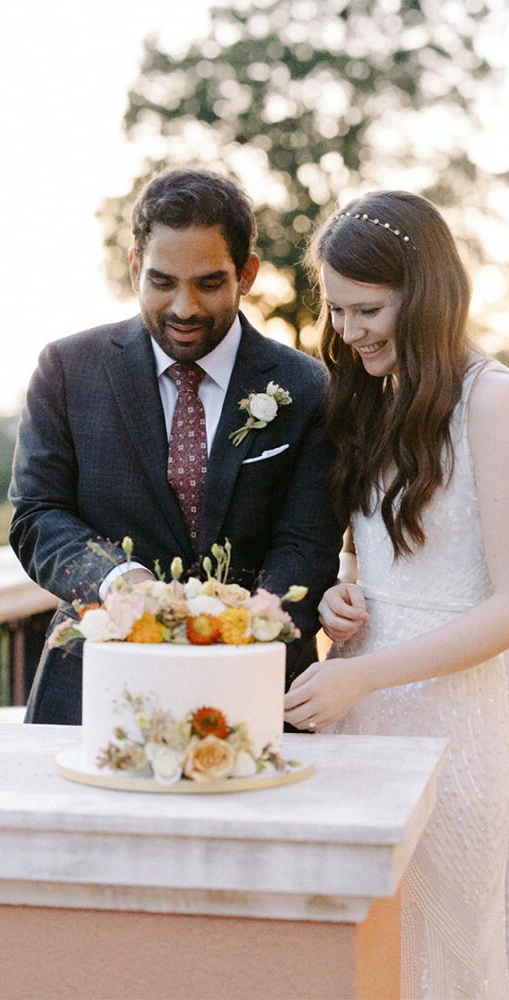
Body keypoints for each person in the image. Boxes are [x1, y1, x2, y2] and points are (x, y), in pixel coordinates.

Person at [10, 167, 343, 724]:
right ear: (136, 269)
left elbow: (307, 538)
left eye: (208, 283)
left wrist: (254, 624)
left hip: (259, 689)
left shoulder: (309, 388)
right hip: (94, 687)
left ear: (248, 274)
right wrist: (120, 582)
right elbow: (37, 515)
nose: (184, 308)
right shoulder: (67, 370)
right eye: (162, 281)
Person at [284, 190, 509, 998]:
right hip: (362, 713)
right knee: (367, 965)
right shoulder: (370, 403)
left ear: (426, 293)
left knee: (447, 957)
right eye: (337, 311)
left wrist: (368, 673)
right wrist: (342, 597)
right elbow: (370, 560)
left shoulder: (491, 398)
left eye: (368, 309)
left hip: (459, 726)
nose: (349, 332)